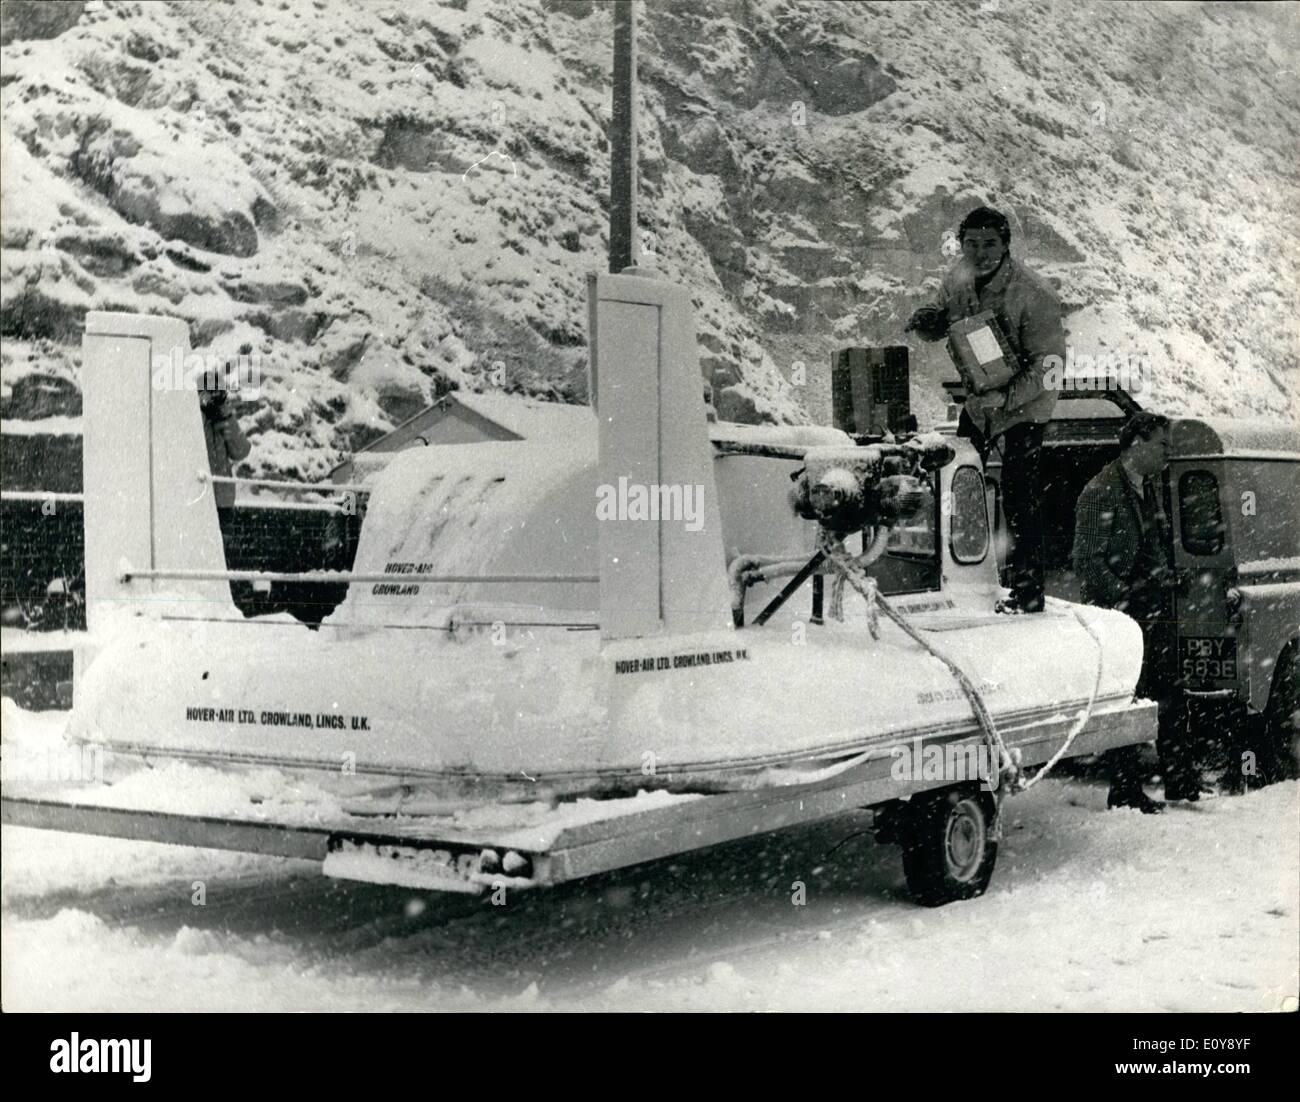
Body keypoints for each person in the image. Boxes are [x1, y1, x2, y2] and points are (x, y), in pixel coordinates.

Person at [906, 205, 1064, 613]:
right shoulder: (958, 277)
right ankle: (957, 577)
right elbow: (944, 317)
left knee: (1018, 493)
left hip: (1026, 407)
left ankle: (1028, 592)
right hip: (979, 401)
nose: (979, 252)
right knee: (953, 477)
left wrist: (1006, 400)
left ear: (1006, 245)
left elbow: (1049, 370)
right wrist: (929, 322)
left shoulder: (1033, 294)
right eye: (971, 244)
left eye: (989, 243)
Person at [1073, 411, 1200, 812]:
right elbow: (1088, 563)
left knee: (1170, 695)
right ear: (1137, 443)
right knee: (1128, 700)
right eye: (1162, 445)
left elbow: (1154, 544)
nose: (1168, 453)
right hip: (1122, 617)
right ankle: (1124, 790)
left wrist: (1167, 579)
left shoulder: (1148, 488)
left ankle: (1180, 780)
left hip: (1155, 611)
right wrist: (1123, 597)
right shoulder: (1099, 492)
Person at [200, 371, 251, 512]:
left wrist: (226, 416)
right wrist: (203, 413)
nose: (214, 397)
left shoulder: (224, 417)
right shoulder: (194, 421)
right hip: (201, 498)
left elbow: (241, 452)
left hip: (223, 500)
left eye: (218, 392)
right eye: (210, 391)